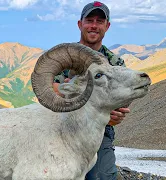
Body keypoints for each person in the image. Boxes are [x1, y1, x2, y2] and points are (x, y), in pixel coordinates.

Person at [53, 1, 130, 179]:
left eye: (100, 21)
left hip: (98, 131)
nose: (94, 25)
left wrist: (116, 115)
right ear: (80, 24)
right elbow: (48, 87)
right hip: (62, 126)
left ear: (107, 26)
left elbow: (119, 107)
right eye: (89, 20)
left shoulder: (115, 64)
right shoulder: (64, 56)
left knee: (102, 177)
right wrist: (65, 89)